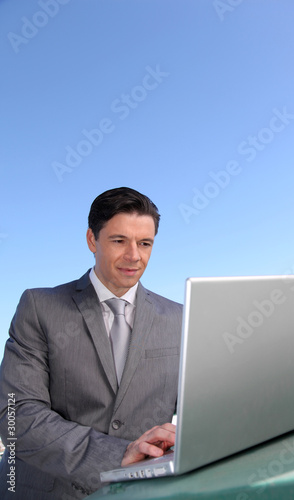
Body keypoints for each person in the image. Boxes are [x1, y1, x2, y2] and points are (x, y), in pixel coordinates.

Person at [0, 187, 182, 499]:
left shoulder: (178, 316)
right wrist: (118, 454)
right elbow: (16, 414)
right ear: (91, 240)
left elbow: (196, 407)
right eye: (119, 241)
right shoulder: (39, 306)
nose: (134, 255)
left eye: (145, 243)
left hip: (142, 492)